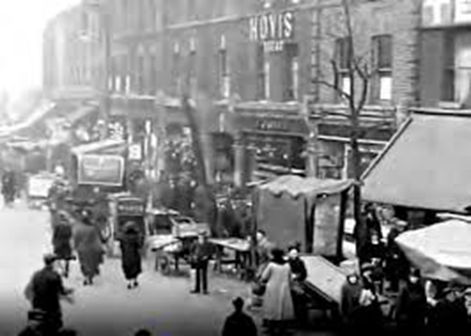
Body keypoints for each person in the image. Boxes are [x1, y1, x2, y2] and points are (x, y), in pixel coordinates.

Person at [24, 254, 73, 334]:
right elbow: (61, 291)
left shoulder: (36, 274)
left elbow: (34, 288)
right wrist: (69, 291)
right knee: (58, 323)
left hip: (36, 306)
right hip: (51, 309)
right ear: (53, 263)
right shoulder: (55, 275)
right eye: (56, 262)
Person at [260, 248, 295, 335]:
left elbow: (264, 277)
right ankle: (282, 328)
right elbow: (290, 279)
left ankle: (271, 328)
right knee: (282, 309)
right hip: (284, 289)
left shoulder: (271, 265)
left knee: (272, 309)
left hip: (272, 289)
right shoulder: (287, 266)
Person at [72, 210, 104, 285]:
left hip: (82, 249)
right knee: (92, 264)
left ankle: (86, 277)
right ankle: (90, 277)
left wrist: (75, 247)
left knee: (84, 263)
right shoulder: (93, 228)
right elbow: (98, 239)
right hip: (93, 249)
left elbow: (76, 238)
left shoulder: (78, 228)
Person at [394, 269, 427, 333]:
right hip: (406, 317)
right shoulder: (405, 289)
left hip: (417, 318)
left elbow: (423, 302)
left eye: (417, 277)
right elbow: (400, 303)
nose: (415, 279)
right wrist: (400, 315)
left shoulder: (420, 289)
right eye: (413, 277)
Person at [287, 245, 308, 327]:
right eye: (292, 253)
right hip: (290, 285)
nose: (294, 255)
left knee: (300, 302)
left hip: (298, 284)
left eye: (295, 253)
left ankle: (301, 320)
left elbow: (304, 274)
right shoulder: (287, 263)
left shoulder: (300, 262)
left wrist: (297, 276)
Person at [119, 221, 144, 289]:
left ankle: (129, 283)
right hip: (135, 255)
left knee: (127, 269)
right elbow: (140, 245)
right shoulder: (136, 236)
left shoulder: (123, 237)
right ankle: (135, 281)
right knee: (135, 268)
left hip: (126, 256)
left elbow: (121, 247)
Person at [52, 212, 74, 278]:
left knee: (57, 258)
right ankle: (66, 270)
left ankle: (62, 270)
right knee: (67, 258)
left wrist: (54, 242)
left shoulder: (57, 226)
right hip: (66, 243)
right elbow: (70, 235)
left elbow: (55, 235)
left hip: (59, 244)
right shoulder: (68, 226)